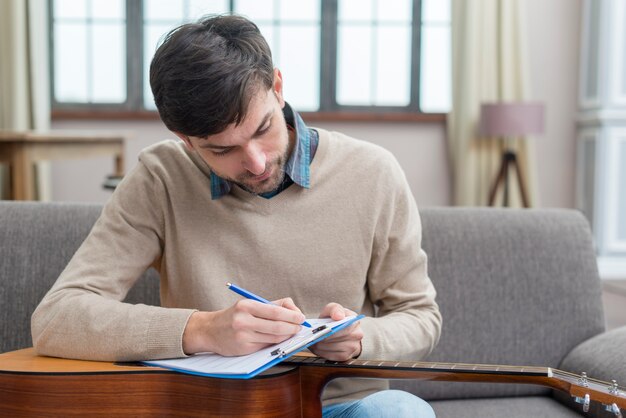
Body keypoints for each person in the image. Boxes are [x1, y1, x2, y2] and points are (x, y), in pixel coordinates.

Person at [31, 14, 441, 417]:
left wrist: (359, 338)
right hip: (214, 407)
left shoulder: (372, 172)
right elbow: (57, 318)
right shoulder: (161, 177)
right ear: (186, 141)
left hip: (339, 407)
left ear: (277, 88)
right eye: (222, 151)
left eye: (263, 129)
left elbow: (421, 318)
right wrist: (203, 331)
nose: (257, 163)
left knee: (400, 411)